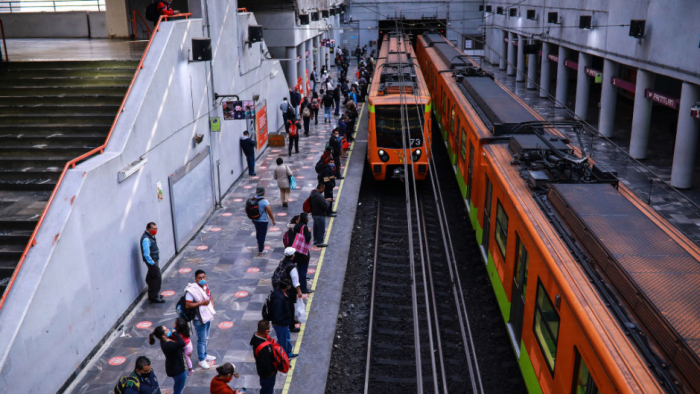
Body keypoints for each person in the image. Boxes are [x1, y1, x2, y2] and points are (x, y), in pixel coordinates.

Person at [185, 270, 216, 369]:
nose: (202, 279)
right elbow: (188, 304)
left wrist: (212, 306)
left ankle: (205, 354)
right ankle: (202, 359)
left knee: (206, 337)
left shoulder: (205, 286)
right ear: (195, 279)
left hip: (207, 315)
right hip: (199, 319)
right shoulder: (192, 291)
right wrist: (201, 303)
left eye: (203, 277)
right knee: (202, 340)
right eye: (200, 278)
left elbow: (209, 296)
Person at [149, 325, 187, 394]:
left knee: (177, 386)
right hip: (177, 370)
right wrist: (175, 333)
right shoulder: (167, 345)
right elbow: (181, 343)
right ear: (163, 336)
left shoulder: (167, 339)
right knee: (179, 388)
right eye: (166, 330)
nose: (168, 329)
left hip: (175, 366)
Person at [271, 278, 296, 357]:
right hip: (281, 324)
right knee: (282, 343)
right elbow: (277, 315)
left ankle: (288, 354)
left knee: (287, 340)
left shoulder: (282, 292)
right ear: (287, 287)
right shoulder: (278, 299)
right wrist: (284, 322)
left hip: (285, 323)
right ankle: (283, 360)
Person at [250, 320, 277, 394]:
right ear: (266, 331)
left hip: (265, 372)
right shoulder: (262, 348)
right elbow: (265, 363)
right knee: (267, 389)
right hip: (267, 374)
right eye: (269, 329)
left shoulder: (259, 338)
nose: (270, 331)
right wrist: (272, 371)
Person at [141, 222, 164, 304]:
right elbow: (146, 254)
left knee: (150, 278)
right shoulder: (146, 239)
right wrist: (152, 263)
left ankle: (152, 294)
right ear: (148, 229)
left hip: (154, 260)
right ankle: (155, 296)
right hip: (152, 261)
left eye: (156, 228)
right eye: (153, 229)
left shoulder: (150, 236)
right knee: (157, 278)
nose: (155, 230)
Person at [251, 186, 276, 256]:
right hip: (263, 221)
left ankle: (259, 244)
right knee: (262, 235)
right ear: (263, 192)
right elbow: (270, 212)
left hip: (255, 220)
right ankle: (261, 250)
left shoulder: (253, 199)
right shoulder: (265, 201)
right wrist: (273, 220)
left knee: (258, 233)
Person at [292, 214, 313, 294]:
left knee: (299, 269)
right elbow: (307, 239)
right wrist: (309, 232)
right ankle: (303, 288)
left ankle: (299, 284)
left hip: (296, 251)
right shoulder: (305, 227)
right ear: (306, 219)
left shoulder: (296, 226)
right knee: (303, 271)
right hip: (303, 252)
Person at [309, 183, 335, 247]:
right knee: (320, 228)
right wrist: (328, 201)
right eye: (323, 188)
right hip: (319, 214)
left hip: (314, 213)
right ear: (320, 188)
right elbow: (325, 206)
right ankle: (320, 242)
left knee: (316, 228)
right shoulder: (318, 196)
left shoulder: (313, 194)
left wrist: (324, 200)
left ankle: (316, 240)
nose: (323, 190)